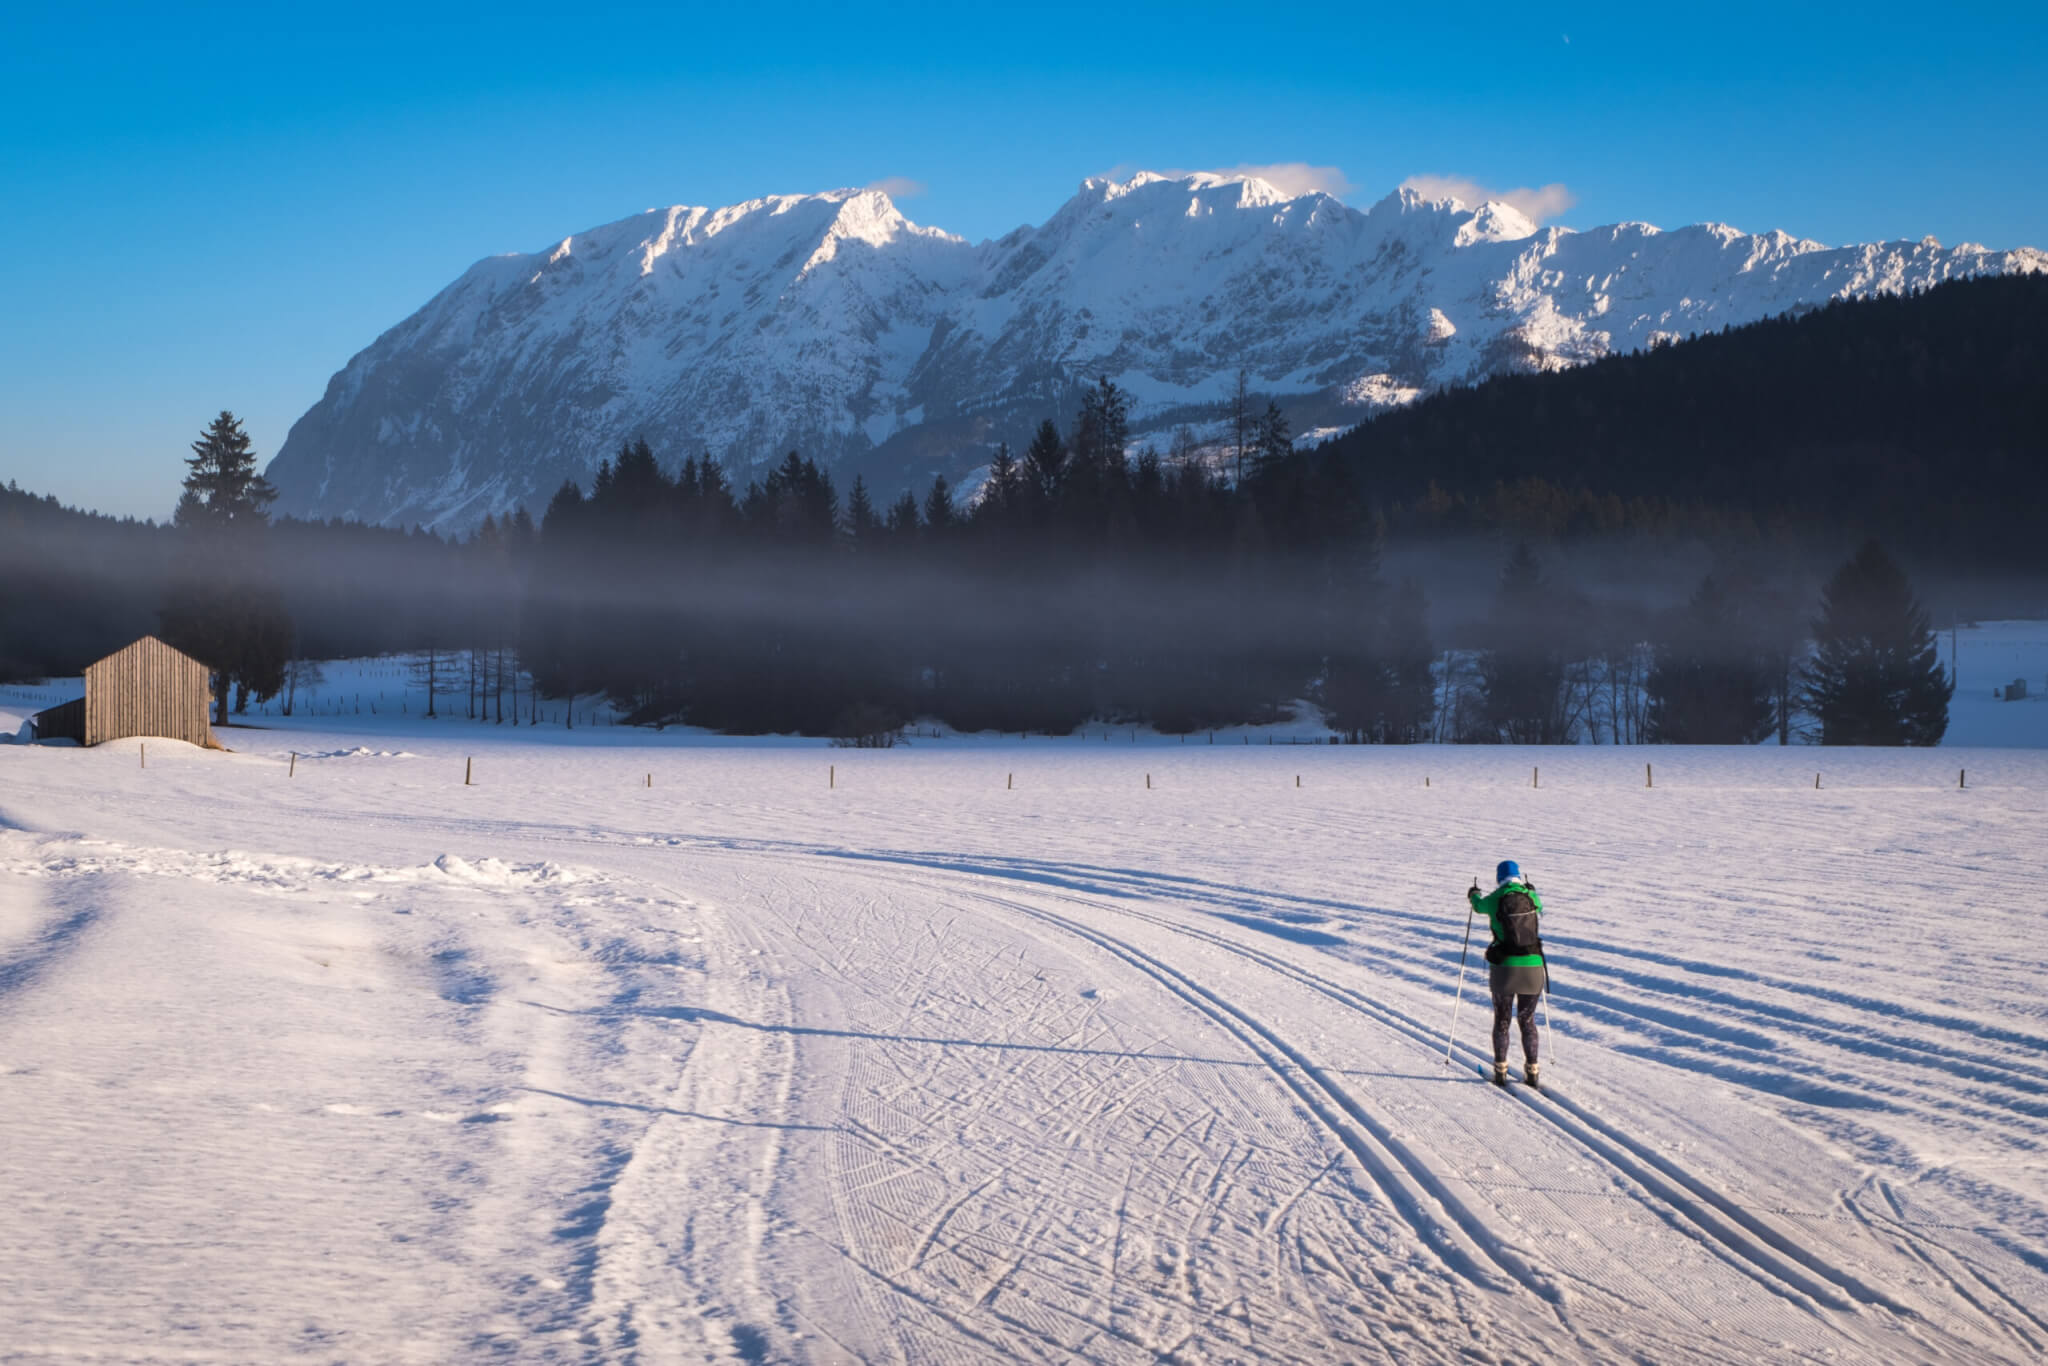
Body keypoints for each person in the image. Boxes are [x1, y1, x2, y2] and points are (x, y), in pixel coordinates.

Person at [1467, 860, 1545, 1085]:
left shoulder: (1495, 899)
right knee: (1527, 1019)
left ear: (1499, 877)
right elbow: (1540, 907)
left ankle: (1500, 1070)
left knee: (1502, 1020)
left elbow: (1478, 906)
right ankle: (1532, 1070)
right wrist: (1531, 890)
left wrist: (1473, 894)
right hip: (1533, 967)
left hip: (1505, 969)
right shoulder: (1531, 897)